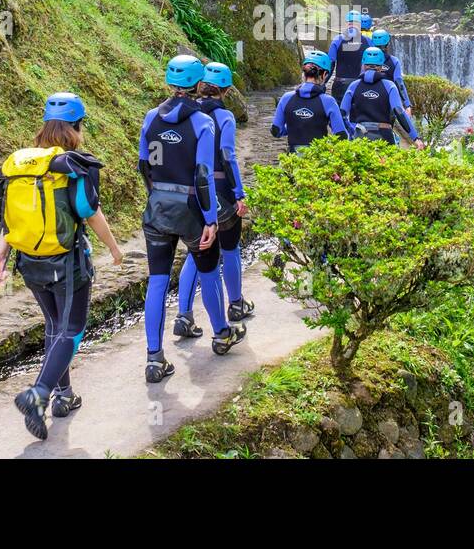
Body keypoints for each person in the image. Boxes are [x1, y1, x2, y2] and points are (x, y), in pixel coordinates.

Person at [0, 92, 124, 441]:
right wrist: (115, 249)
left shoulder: (21, 163)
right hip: (67, 263)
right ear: (76, 126)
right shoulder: (72, 164)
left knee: (53, 324)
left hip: (28, 262)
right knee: (72, 329)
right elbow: (88, 212)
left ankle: (63, 396)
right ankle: (38, 394)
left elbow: (9, 217)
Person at [138, 55, 245, 384]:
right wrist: (210, 219)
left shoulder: (151, 117)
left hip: (157, 207)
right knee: (208, 270)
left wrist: (156, 194)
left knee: (156, 281)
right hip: (191, 209)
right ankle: (221, 334)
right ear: (199, 84)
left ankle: (155, 359)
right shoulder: (203, 123)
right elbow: (202, 176)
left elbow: (145, 164)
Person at [173, 61, 253, 338]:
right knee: (230, 249)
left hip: (190, 192)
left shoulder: (187, 113)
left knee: (195, 255)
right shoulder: (224, 117)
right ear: (227, 90)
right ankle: (235, 304)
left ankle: (183, 314)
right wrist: (239, 193)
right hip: (220, 191)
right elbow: (228, 156)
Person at [342, 48, 425, 149]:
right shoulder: (389, 86)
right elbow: (399, 112)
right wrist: (415, 138)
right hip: (384, 137)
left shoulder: (353, 86)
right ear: (381, 66)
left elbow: (342, 114)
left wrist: (352, 131)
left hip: (360, 136)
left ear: (363, 65)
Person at [271, 49, 351, 152]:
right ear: (324, 74)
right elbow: (341, 135)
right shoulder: (328, 102)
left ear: (304, 73)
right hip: (318, 159)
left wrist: (293, 126)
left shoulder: (286, 98)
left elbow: (276, 130)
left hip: (292, 158)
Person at [327, 9, 371, 103]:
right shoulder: (368, 41)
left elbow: (330, 65)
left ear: (346, 24)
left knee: (339, 113)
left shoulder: (337, 40)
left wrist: (322, 83)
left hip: (340, 84)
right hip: (360, 83)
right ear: (359, 24)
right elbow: (375, 65)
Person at [368, 28, 413, 119]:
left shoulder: (366, 61)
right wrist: (407, 104)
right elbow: (399, 83)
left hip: (368, 99)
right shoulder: (394, 61)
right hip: (387, 101)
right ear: (388, 44)